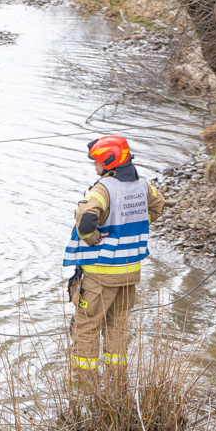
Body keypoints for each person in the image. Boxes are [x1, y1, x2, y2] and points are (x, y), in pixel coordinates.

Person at [63, 136, 165, 377]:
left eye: (97, 162)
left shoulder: (103, 188)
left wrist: (93, 237)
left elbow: (86, 221)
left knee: (86, 329)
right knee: (117, 327)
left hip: (101, 273)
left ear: (109, 162)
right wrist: (132, 226)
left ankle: (82, 387)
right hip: (130, 273)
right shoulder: (143, 186)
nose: (95, 167)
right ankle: (116, 385)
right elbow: (158, 206)